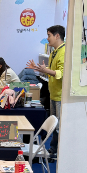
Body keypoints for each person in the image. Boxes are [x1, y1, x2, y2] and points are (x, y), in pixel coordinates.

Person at [26, 25, 65, 156]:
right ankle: (53, 150)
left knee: (58, 127)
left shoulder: (64, 52)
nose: (47, 38)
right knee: (54, 127)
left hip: (60, 95)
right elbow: (51, 71)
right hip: (53, 94)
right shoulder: (54, 52)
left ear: (57, 36)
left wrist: (45, 70)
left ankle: (57, 153)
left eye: (49, 35)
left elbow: (61, 73)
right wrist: (38, 69)